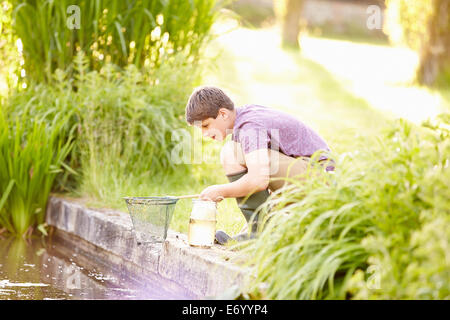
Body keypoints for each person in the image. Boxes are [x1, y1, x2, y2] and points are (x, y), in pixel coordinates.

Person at [185, 86, 334, 244]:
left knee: (232, 153)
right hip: (304, 176)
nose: (204, 134)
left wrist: (220, 191)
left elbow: (258, 180)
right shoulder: (245, 117)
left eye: (206, 126)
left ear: (222, 113)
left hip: (321, 182)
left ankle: (260, 234)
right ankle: (258, 231)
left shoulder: (250, 126)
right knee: (235, 152)